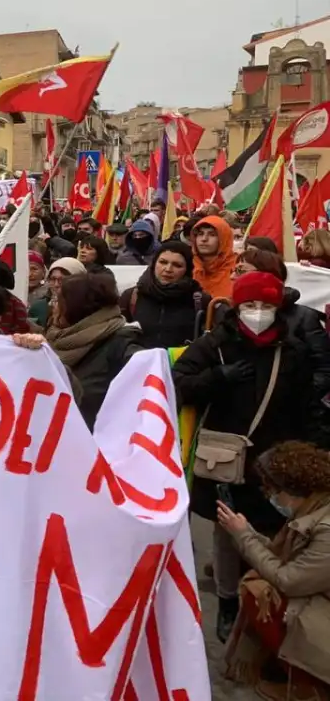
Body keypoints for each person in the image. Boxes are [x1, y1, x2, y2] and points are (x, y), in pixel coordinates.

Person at [173, 271, 330, 642]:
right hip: (225, 458)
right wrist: (218, 377)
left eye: (265, 305)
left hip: (278, 460)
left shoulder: (292, 350)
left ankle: (262, 600)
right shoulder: (216, 344)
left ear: (279, 308)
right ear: (237, 306)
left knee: (276, 532)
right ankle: (228, 603)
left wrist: (315, 452)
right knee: (228, 532)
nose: (257, 312)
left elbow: (310, 405)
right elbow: (179, 383)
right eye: (249, 305)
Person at [219, 442, 330, 699]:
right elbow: (287, 559)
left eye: (272, 489)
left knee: (259, 594)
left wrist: (243, 538)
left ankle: (311, 686)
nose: (269, 496)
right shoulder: (315, 508)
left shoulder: (325, 528)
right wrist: (245, 532)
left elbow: (288, 579)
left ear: (293, 490)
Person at [46, 272, 143, 428]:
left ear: (76, 307)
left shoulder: (123, 346)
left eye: (59, 301)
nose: (53, 306)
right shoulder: (54, 338)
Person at [235, 247, 330, 402]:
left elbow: (325, 369)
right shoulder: (231, 314)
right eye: (233, 271)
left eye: (240, 271)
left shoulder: (303, 318)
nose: (232, 277)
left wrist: (298, 400)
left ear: (267, 274)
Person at [119, 242, 210, 349]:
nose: (168, 269)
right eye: (163, 262)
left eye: (177, 265)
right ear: (154, 263)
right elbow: (119, 338)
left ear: (187, 269)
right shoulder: (132, 296)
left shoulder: (199, 301)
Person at [192, 215, 237, 301]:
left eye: (212, 234)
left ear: (223, 238)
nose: (204, 239)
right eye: (200, 234)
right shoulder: (185, 266)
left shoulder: (238, 268)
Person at [26, 252, 50, 326]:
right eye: (25, 269)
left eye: (34, 269)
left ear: (43, 272)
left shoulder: (49, 295)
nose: (29, 274)